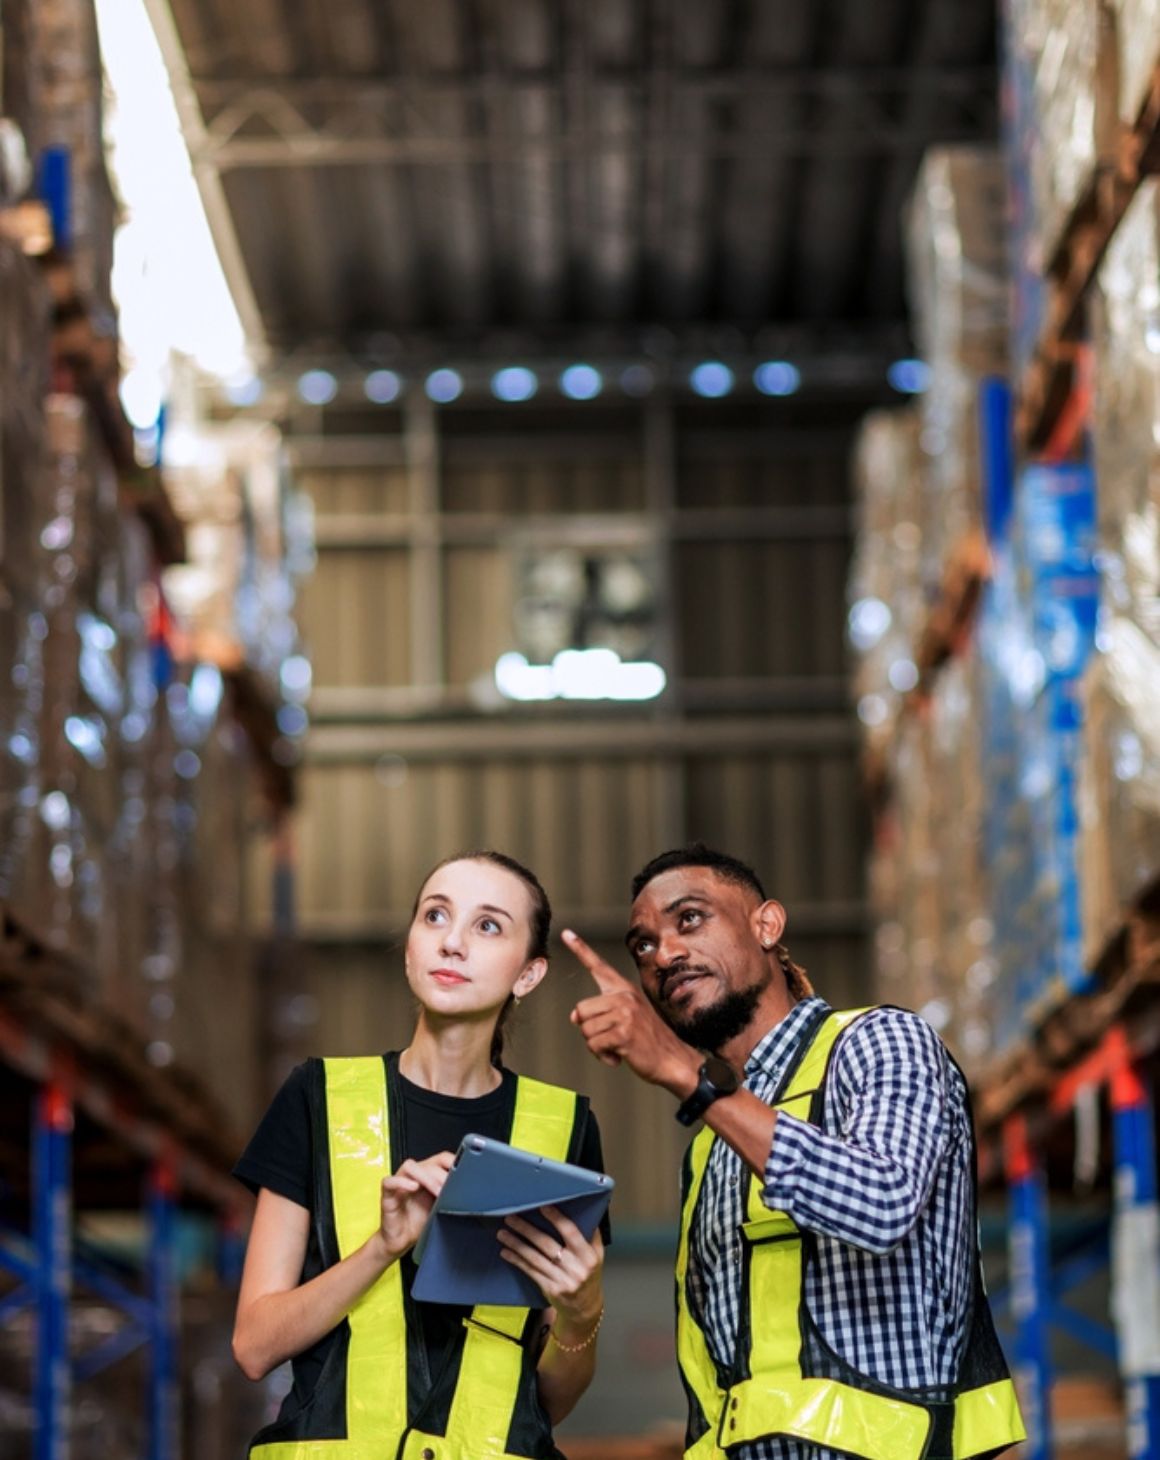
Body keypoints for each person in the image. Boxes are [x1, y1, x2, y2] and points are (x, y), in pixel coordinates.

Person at [564, 844, 1024, 1460]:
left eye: (691, 919)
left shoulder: (878, 1043)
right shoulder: (709, 1150)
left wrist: (687, 1076)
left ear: (767, 925)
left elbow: (882, 1203)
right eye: (643, 946)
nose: (665, 954)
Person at [232, 850, 608, 1460]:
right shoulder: (319, 1098)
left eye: (488, 926)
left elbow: (550, 1400)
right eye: (435, 916)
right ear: (410, 947)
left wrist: (581, 1310)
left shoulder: (562, 1129)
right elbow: (254, 1347)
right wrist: (382, 1248)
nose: (452, 942)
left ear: (529, 975)